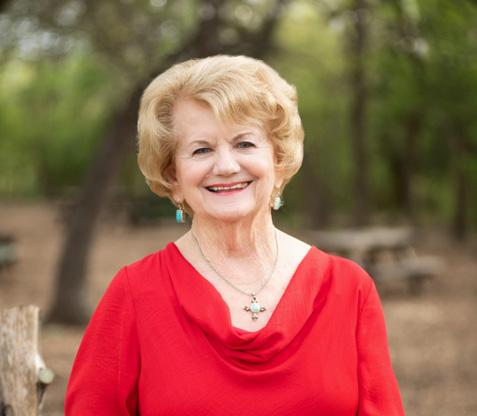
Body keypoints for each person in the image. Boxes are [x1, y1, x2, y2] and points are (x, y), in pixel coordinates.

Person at [65, 55, 405, 415]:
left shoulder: (349, 291)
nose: (226, 166)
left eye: (244, 144)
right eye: (201, 149)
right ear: (173, 177)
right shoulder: (135, 294)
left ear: (278, 160)